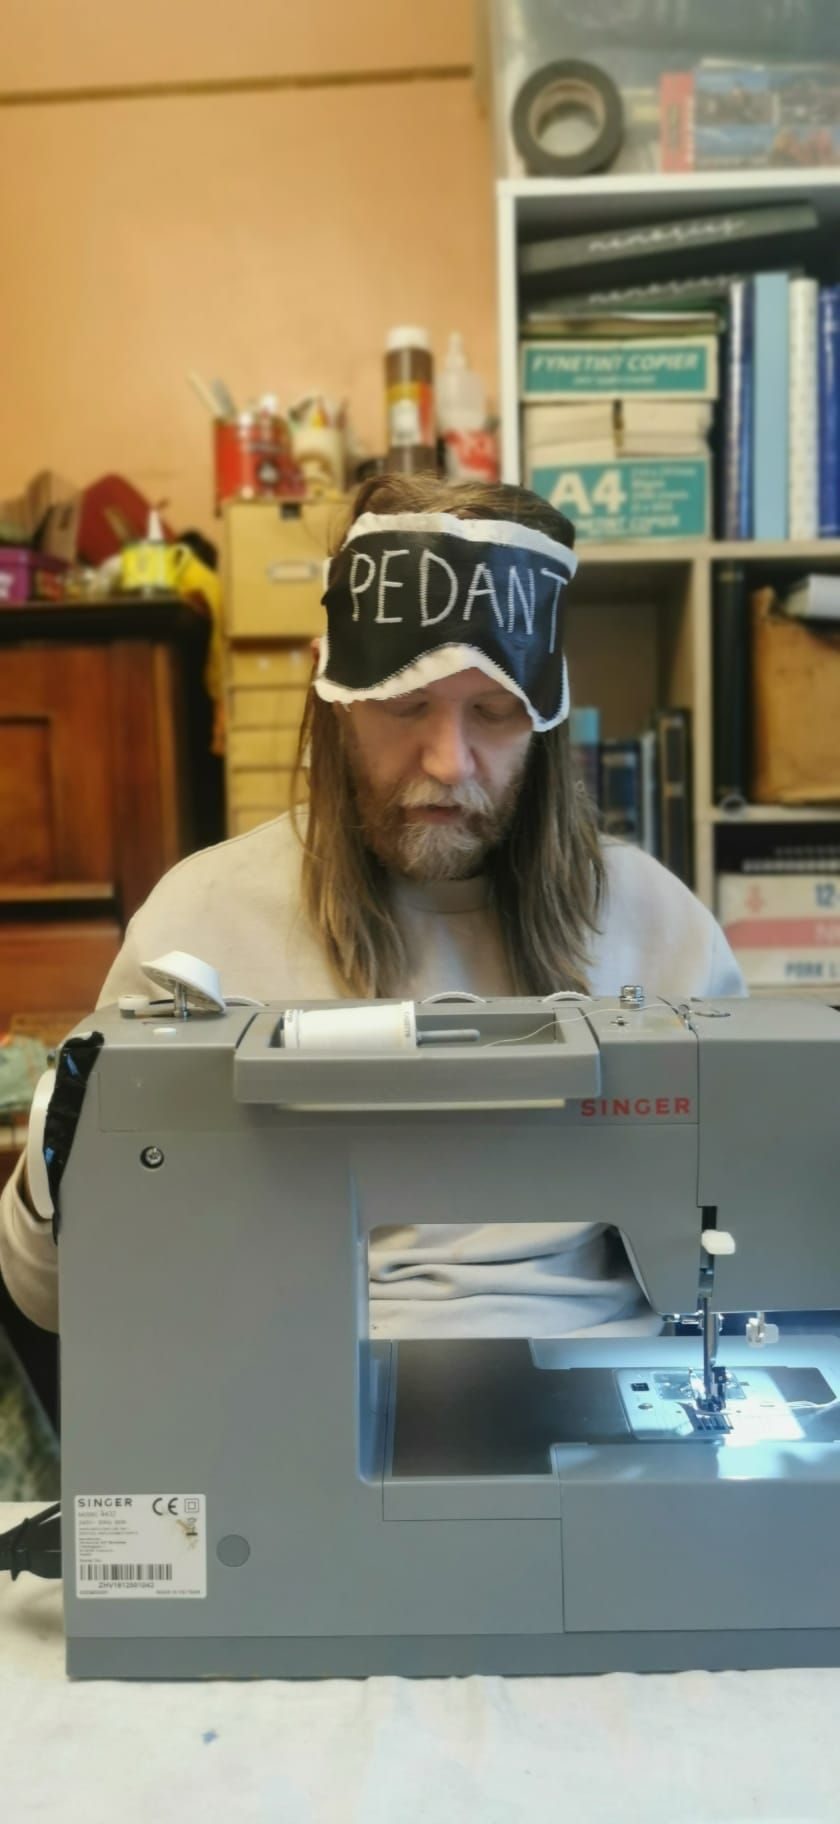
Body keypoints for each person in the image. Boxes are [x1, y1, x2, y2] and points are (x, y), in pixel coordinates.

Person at [0, 473, 744, 1340]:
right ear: (335, 701)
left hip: (602, 1396)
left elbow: (754, 1254)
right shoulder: (199, 924)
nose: (450, 761)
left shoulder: (659, 926)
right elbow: (55, 1299)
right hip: (289, 1386)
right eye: (406, 706)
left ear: (546, 722)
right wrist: (61, 1163)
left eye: (495, 713)